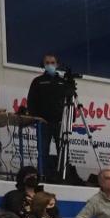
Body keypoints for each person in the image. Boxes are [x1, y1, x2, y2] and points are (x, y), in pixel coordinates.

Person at [26, 54, 70, 182]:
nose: (50, 65)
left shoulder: (64, 82)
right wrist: (36, 118)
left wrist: (67, 121)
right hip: (43, 123)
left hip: (60, 123)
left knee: (63, 151)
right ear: (43, 65)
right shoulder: (38, 81)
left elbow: (69, 103)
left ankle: (63, 178)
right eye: (47, 62)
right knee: (43, 151)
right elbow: (31, 102)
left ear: (57, 64)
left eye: (52, 62)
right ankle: (42, 177)